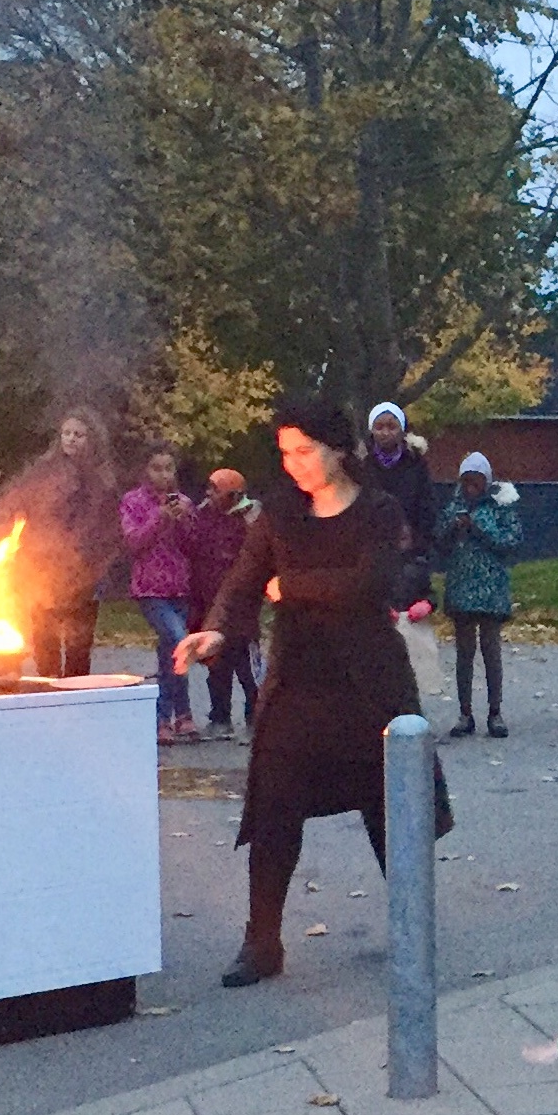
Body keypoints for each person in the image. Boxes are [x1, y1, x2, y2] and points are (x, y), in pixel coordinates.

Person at [175, 401, 447, 989]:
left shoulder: (378, 510)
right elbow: (244, 581)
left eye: (305, 450)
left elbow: (371, 582)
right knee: (273, 808)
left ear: (338, 449)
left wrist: (290, 585)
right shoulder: (277, 514)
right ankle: (262, 940)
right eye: (285, 453)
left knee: (389, 807)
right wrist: (218, 628)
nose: (293, 463)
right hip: (298, 680)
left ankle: (413, 926)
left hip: (368, 680)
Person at [11, 407, 123, 680]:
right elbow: (25, 508)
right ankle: (47, 689)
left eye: (79, 434)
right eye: (67, 433)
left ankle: (75, 694)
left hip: (83, 569)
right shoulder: (44, 471)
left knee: (78, 642)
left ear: (92, 439)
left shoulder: (102, 479)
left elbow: (104, 527)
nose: (71, 439)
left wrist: (86, 559)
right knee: (44, 638)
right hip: (42, 566)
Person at [122, 442, 203, 743]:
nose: (163, 474)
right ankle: (164, 715)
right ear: (145, 470)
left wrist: (184, 519)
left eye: (169, 468)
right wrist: (161, 518)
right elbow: (133, 542)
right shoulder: (133, 502)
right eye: (157, 468)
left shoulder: (184, 501)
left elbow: (193, 546)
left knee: (171, 651)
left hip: (179, 586)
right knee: (178, 640)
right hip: (149, 588)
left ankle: (179, 716)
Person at [438, 452, 521, 738]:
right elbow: (439, 541)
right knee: (464, 653)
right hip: (461, 586)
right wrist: (453, 526)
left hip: (491, 589)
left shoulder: (501, 506)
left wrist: (478, 527)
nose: (471, 488)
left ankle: (495, 712)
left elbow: (510, 541)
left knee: (491, 650)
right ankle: (465, 713)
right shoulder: (454, 506)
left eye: (476, 482)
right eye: (466, 482)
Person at [189, 469, 262, 739]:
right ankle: (220, 717)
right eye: (208, 488)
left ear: (233, 495)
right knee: (217, 666)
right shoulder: (205, 516)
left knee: (248, 669)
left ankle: (255, 718)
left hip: (243, 608)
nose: (209, 494)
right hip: (212, 603)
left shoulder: (250, 519)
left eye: (215, 489)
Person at [363, 403, 435, 606]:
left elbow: (427, 507)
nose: (385, 433)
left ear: (402, 430)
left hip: (408, 549)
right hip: (370, 549)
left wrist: (419, 543)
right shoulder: (362, 465)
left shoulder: (416, 464)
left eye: (391, 427)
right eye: (379, 427)